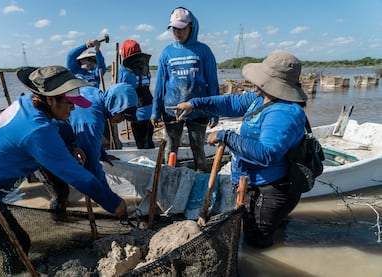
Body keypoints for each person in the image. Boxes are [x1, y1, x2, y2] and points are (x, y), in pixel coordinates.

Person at [0, 66, 127, 274]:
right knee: (13, 246)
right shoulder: (37, 131)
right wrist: (114, 203)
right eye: (70, 104)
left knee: (14, 242)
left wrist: (72, 145)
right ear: (50, 99)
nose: (73, 109)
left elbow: (58, 127)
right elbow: (78, 177)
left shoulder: (28, 104)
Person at [167, 50, 307, 248]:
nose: (255, 82)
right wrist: (195, 104)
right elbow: (230, 103)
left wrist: (226, 136)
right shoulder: (261, 98)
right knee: (269, 236)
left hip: (268, 192)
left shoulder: (284, 112)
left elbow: (267, 154)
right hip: (252, 184)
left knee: (257, 248)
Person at [151, 7, 220, 172]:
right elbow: (160, 83)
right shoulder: (167, 52)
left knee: (198, 148)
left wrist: (214, 111)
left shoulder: (204, 51)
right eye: (175, 28)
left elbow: (212, 82)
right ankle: (170, 177)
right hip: (172, 110)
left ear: (191, 27)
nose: (178, 32)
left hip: (198, 109)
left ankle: (201, 180)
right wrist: (155, 110)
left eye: (181, 28)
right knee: (171, 148)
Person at [118, 39, 155, 149]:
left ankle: (148, 164)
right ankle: (157, 161)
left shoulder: (124, 70)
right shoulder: (145, 67)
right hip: (150, 108)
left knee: (141, 144)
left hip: (137, 112)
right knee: (148, 140)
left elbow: (121, 90)